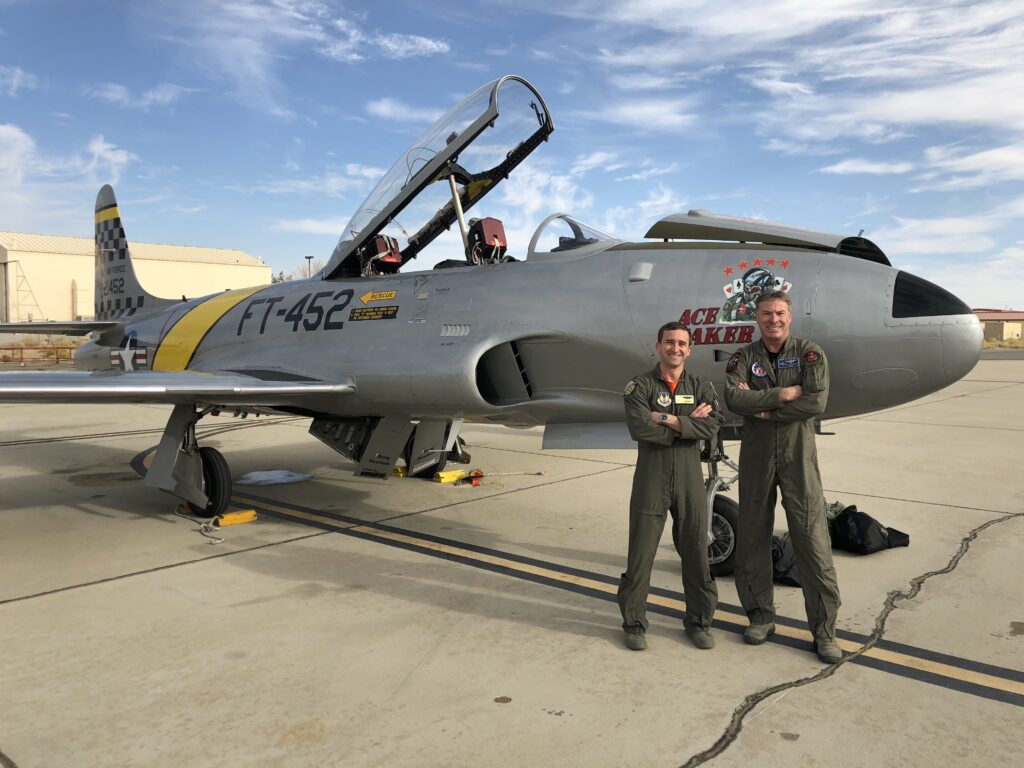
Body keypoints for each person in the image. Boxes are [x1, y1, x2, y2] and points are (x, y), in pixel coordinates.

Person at [724, 291, 842, 663]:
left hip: (797, 458)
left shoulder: (810, 353)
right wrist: (783, 394)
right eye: (765, 314)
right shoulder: (743, 357)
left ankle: (824, 631)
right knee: (753, 537)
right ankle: (760, 616)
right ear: (755, 318)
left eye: (779, 313)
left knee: (812, 540)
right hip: (757, 458)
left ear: (789, 316)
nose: (773, 319)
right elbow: (733, 399)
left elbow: (814, 402)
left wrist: (763, 409)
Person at [618, 322, 723, 651]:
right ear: (658, 346)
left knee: (695, 551)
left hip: (689, 475)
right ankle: (634, 623)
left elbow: (714, 423)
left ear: (689, 350)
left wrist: (666, 419)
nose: (675, 348)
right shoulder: (641, 386)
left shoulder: (701, 384)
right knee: (641, 553)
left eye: (681, 343)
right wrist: (689, 423)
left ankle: (699, 622)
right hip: (652, 475)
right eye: (669, 342)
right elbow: (639, 428)